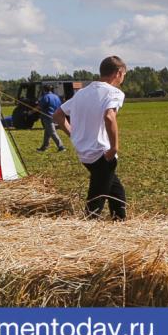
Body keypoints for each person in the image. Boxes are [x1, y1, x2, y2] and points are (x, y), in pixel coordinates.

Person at [53, 56, 127, 220]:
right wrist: (114, 147)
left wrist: (73, 133)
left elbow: (58, 114)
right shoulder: (114, 93)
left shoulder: (82, 92)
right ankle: (88, 227)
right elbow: (109, 117)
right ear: (118, 73)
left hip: (84, 153)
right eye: (124, 75)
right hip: (101, 152)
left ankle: (120, 221)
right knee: (96, 198)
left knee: (116, 190)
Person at [36, 84, 66, 152]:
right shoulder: (56, 97)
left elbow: (39, 106)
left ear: (44, 90)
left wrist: (30, 112)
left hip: (47, 117)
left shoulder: (45, 97)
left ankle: (61, 147)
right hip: (55, 116)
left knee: (52, 132)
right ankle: (44, 147)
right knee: (47, 132)